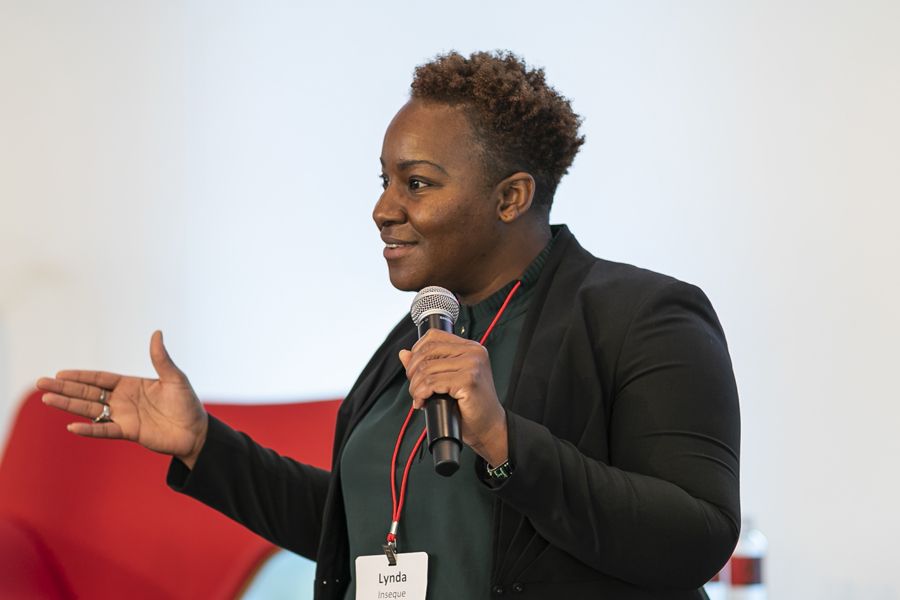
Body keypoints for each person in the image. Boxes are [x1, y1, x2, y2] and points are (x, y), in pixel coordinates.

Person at [37, 50, 740, 599]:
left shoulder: (643, 316)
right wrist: (203, 446)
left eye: (418, 183)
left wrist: (503, 439)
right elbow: (356, 524)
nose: (384, 208)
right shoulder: (425, 331)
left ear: (511, 196)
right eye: (383, 180)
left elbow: (694, 536)